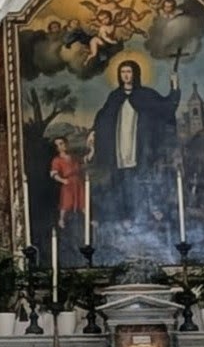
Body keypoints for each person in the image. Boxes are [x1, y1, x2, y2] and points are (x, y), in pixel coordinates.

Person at [86, 60, 180, 235]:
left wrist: (174, 86)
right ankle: (124, 215)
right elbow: (103, 117)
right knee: (121, 181)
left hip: (139, 146)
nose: (126, 76)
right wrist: (93, 132)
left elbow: (167, 107)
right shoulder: (115, 96)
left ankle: (148, 212)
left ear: (135, 73)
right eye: (123, 72)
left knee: (142, 180)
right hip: (119, 146)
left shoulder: (145, 95)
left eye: (129, 72)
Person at [50, 136, 85, 230]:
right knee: (66, 203)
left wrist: (93, 149)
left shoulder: (74, 157)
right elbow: (54, 174)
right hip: (68, 183)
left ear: (66, 144)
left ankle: (89, 219)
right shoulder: (57, 160)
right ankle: (61, 220)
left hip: (78, 182)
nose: (60, 146)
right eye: (57, 145)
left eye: (61, 143)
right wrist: (63, 180)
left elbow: (85, 161)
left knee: (82, 201)